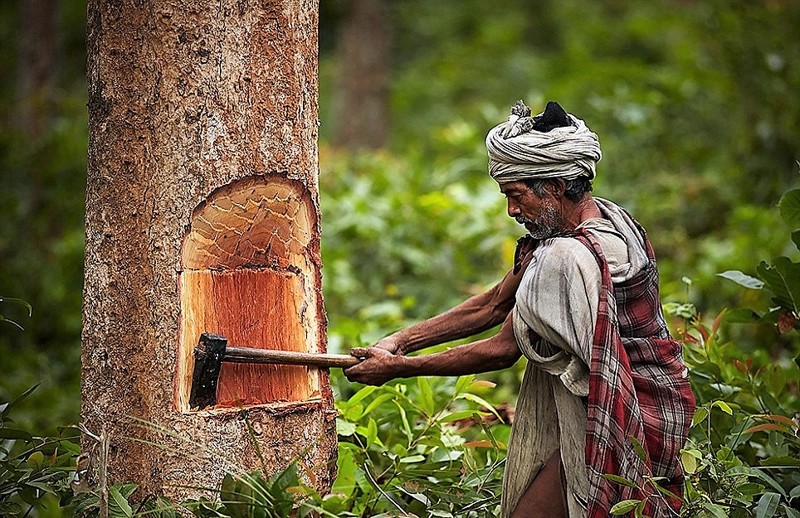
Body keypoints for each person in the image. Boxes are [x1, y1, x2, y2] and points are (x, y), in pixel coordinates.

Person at [343, 100, 695, 518]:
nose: (511, 210)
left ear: (557, 186)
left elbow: (503, 348)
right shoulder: (612, 219)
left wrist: (400, 369)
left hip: (618, 412)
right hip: (628, 404)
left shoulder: (565, 258)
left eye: (516, 195)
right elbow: (492, 304)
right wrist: (401, 340)